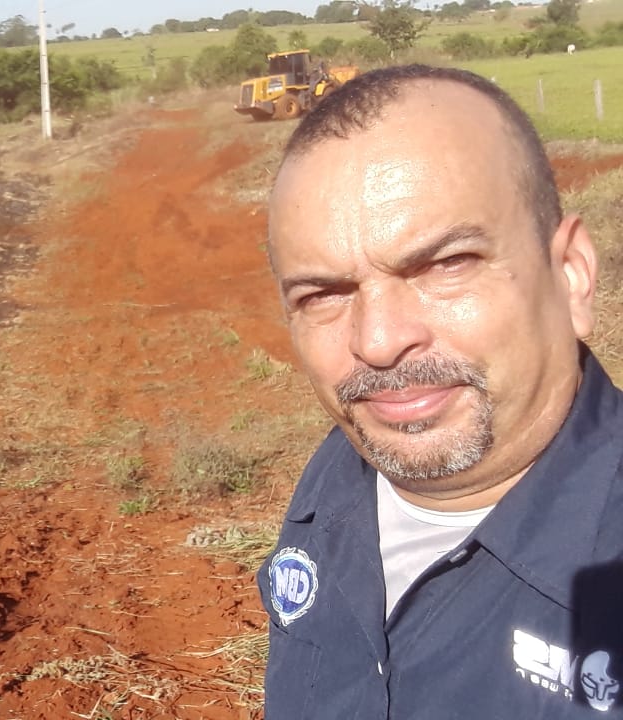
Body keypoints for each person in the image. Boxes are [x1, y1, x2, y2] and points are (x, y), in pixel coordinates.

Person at [257, 63, 623, 718]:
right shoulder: (336, 481)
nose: (378, 341)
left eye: (446, 265)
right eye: (323, 295)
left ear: (571, 276)